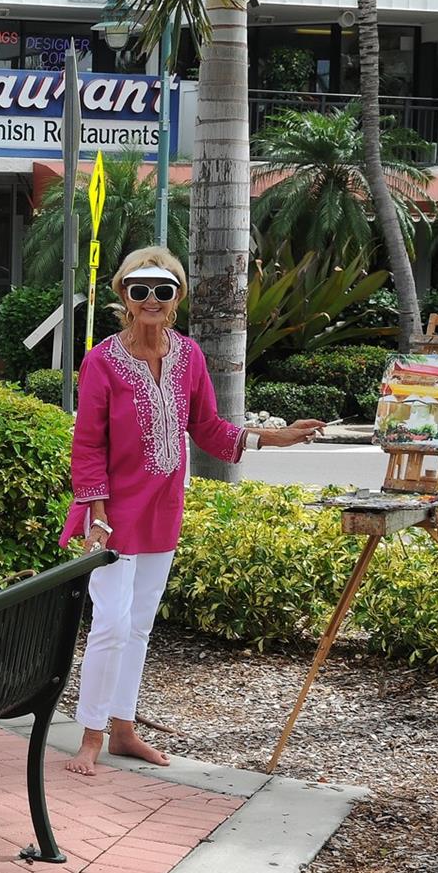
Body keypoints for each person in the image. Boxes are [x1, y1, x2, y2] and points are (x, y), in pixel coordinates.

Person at [60, 246, 324, 777]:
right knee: (110, 624)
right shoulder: (102, 361)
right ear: (124, 296)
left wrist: (273, 437)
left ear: (177, 296)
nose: (151, 299)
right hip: (111, 513)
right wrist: (97, 513)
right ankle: (90, 734)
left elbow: (207, 428)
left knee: (139, 625)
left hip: (162, 508)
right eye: (139, 289)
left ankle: (123, 730)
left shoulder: (190, 356)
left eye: (163, 290)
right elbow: (87, 445)